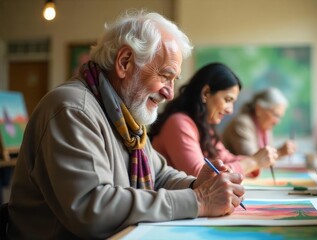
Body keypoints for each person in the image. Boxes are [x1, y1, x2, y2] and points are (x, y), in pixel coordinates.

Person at [7, 10, 245, 239]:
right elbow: (92, 208)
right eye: (165, 75)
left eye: (174, 80)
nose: (170, 93)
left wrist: (196, 184)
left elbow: (159, 175)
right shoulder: (72, 109)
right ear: (124, 62)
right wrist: (199, 201)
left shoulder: (125, 113)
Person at [149, 63, 278, 177]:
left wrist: (259, 160)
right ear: (205, 93)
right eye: (227, 100)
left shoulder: (202, 125)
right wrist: (253, 162)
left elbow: (227, 159)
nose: (230, 110)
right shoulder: (178, 123)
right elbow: (199, 176)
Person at [222, 87, 296, 159]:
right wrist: (279, 152)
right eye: (275, 115)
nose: (277, 122)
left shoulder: (264, 127)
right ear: (259, 109)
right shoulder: (242, 123)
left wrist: (280, 152)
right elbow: (253, 160)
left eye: (280, 117)